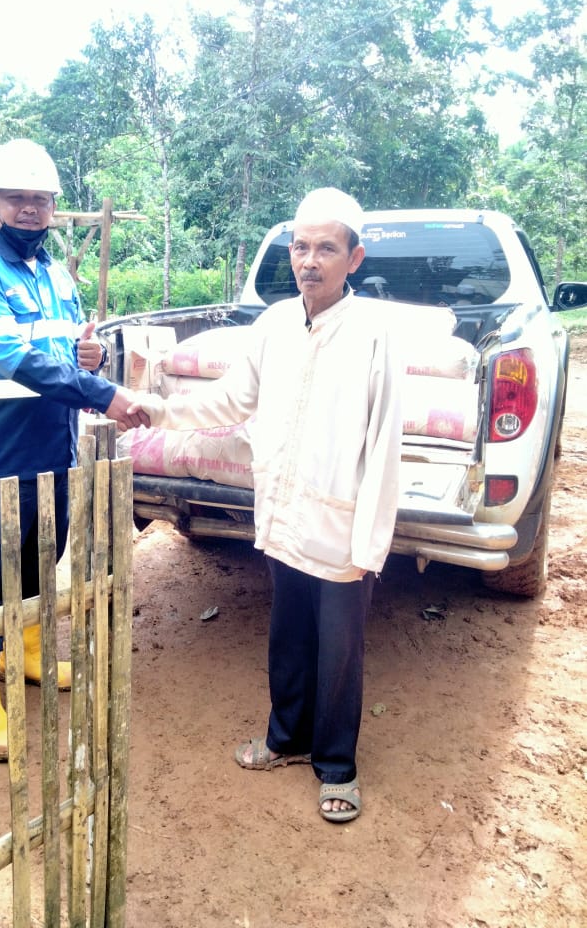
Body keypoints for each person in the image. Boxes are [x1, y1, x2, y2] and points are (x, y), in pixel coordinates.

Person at [129, 188, 402, 821]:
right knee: (288, 634)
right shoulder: (276, 323)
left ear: (354, 258)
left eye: (326, 248)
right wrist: (158, 410)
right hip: (281, 512)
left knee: (339, 649)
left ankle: (336, 765)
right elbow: (230, 400)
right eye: (301, 247)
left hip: (340, 521)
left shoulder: (373, 333)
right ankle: (286, 739)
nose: (310, 260)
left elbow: (385, 442)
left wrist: (370, 542)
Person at [0, 138, 148, 761]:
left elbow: (62, 355)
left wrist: (90, 358)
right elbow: (13, 358)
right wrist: (103, 392)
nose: (29, 209)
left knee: (38, 560)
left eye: (40, 199)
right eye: (16, 198)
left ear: (54, 207)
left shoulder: (56, 275)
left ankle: (27, 653)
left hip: (54, 445)